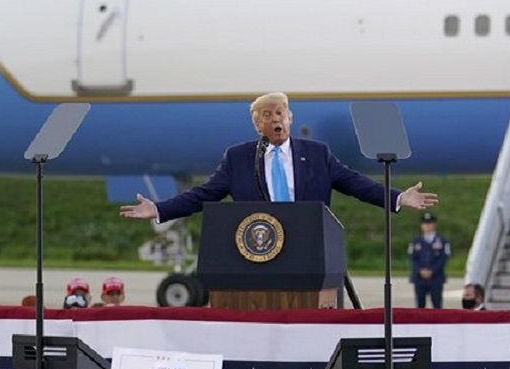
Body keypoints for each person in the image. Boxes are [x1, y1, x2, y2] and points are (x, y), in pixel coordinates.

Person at [120, 93, 437, 222]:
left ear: (290, 117)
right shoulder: (239, 158)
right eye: (267, 115)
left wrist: (397, 198)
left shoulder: (317, 154)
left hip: (310, 251)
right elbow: (203, 195)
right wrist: (159, 209)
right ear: (257, 124)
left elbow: (356, 184)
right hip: (259, 251)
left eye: (281, 113)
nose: (276, 119)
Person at [409, 212, 450, 308]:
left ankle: (438, 323)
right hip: (420, 278)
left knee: (437, 303)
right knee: (420, 304)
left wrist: (432, 270)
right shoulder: (416, 241)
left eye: (430, 223)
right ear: (421, 225)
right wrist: (420, 270)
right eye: (425, 223)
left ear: (434, 225)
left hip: (436, 278)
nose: (427, 226)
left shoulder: (442, 241)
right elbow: (412, 258)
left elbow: (443, 258)